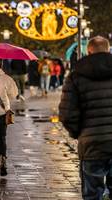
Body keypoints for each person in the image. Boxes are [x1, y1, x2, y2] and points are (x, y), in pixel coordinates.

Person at [59, 36, 112, 200]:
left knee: (92, 193)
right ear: (108, 50)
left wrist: (79, 133)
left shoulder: (76, 76)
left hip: (91, 144)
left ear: (88, 51)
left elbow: (67, 114)